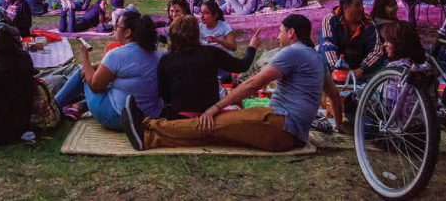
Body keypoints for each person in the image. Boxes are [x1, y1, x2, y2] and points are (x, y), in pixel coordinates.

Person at [122, 14, 346, 151]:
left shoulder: (292, 53)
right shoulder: (316, 58)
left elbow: (252, 85)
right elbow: (335, 97)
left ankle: (148, 131)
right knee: (213, 131)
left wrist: (215, 107)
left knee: (211, 125)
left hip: (282, 127)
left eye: (280, 32)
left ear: (292, 33)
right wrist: (340, 127)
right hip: (285, 127)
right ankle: (149, 130)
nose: (278, 37)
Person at [55, 12, 163, 129]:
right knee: (93, 71)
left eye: (117, 26)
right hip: (149, 115)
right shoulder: (153, 52)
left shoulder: (116, 55)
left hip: (118, 117)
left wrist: (84, 56)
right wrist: (95, 67)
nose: (114, 28)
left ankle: (53, 107)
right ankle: (73, 105)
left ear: (127, 32)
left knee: (83, 70)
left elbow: (94, 86)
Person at [157, 15, 259, 120]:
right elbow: (242, 66)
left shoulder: (166, 59)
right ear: (196, 34)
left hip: (180, 117)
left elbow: (163, 93)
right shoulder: (210, 53)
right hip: (210, 117)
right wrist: (252, 47)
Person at [319, 0, 385, 82]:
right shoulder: (330, 20)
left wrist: (362, 69)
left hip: (359, 67)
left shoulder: (368, 23)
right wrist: (336, 69)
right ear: (345, 8)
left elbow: (377, 50)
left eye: (362, 4)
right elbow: (327, 45)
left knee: (384, 66)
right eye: (357, 5)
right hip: (336, 68)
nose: (362, 8)